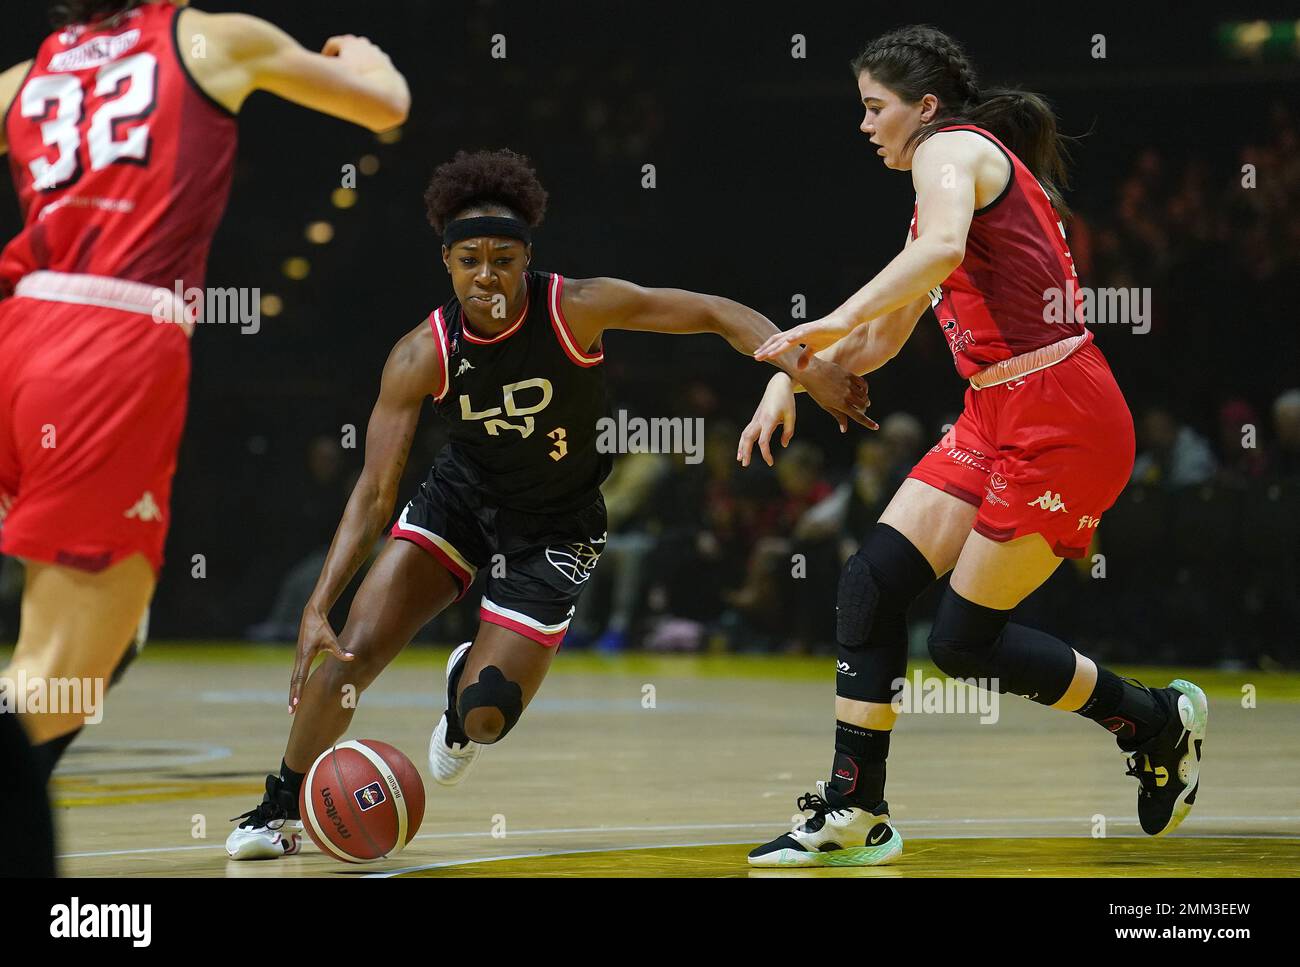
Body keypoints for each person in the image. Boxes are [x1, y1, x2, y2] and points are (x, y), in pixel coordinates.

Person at [225, 148, 872, 859]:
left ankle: (461, 698)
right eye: (469, 258)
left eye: (503, 257)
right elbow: (376, 490)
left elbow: (717, 313)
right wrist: (319, 601)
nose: (487, 274)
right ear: (447, 263)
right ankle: (276, 806)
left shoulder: (576, 306)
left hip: (557, 525)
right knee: (351, 651)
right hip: (461, 503)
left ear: (527, 257)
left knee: (487, 716)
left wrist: (807, 368)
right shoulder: (421, 354)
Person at [739, 25, 1207, 867]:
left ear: (923, 108)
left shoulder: (951, 149)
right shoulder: (941, 191)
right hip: (996, 408)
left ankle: (1155, 718)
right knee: (870, 584)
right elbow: (880, 338)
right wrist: (789, 376)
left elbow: (935, 256)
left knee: (962, 642)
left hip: (1064, 414)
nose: (864, 124)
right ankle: (856, 810)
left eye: (873, 107)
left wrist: (829, 321)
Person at [0, 0, 409, 848]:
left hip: (19, 331)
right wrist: (370, 57)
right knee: (57, 675)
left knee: (94, 652)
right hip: (110, 345)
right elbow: (385, 107)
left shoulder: (26, 76)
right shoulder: (210, 38)